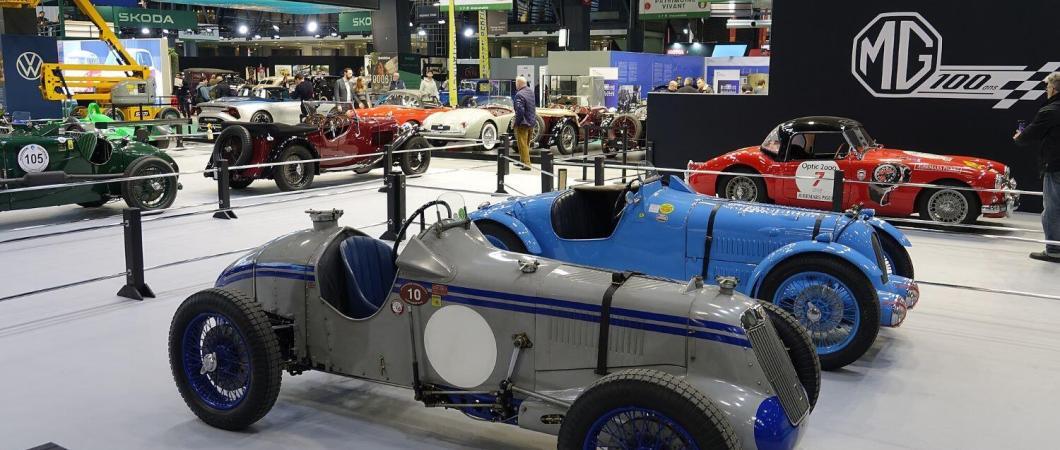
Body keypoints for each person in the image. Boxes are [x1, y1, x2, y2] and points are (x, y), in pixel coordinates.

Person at [1014, 72, 1060, 262]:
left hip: (1056, 167)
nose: (1045, 90)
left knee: (1052, 210)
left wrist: (1018, 136)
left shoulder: (1050, 110)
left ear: (1052, 88)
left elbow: (1026, 137)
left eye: (1046, 87)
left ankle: (1054, 250)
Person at [513, 76, 537, 171]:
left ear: (519, 84)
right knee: (526, 143)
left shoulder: (519, 94)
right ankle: (522, 161)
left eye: (516, 83)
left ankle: (527, 164)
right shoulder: (530, 92)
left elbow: (520, 110)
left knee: (522, 144)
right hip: (531, 121)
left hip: (523, 123)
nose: (515, 85)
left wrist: (516, 122)